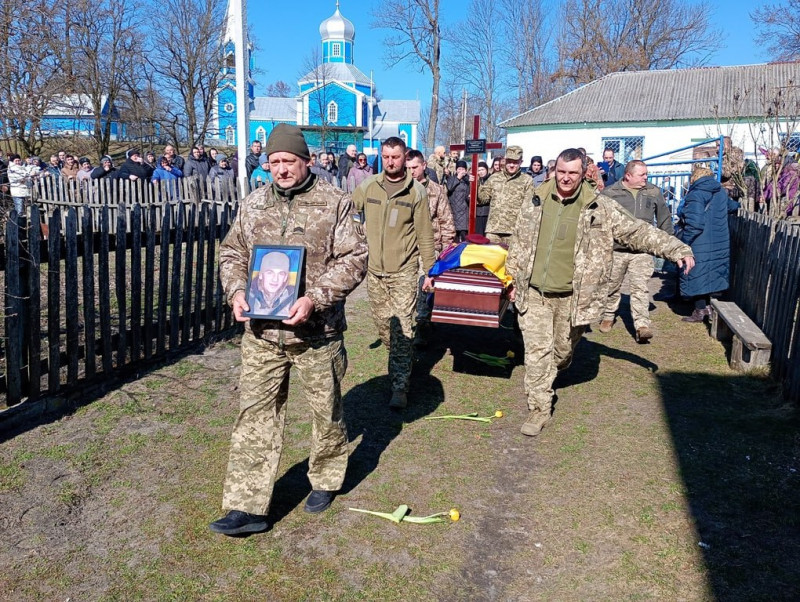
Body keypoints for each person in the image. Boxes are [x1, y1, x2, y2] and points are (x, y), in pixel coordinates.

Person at [211, 123, 368, 536]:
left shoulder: (335, 203)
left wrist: (314, 298)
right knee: (255, 414)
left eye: (289, 161)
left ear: (307, 161)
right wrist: (237, 291)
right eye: (274, 162)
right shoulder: (254, 204)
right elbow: (231, 251)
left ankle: (327, 478)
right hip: (262, 334)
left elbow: (354, 259)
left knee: (326, 410)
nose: (281, 169)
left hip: (317, 333)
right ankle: (246, 506)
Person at [505, 149, 695, 437]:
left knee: (561, 351)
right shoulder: (535, 201)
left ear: (583, 174)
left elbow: (638, 232)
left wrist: (676, 248)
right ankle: (539, 407)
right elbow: (519, 240)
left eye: (573, 173)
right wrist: (513, 278)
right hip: (534, 294)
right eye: (561, 171)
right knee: (536, 354)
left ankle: (553, 369)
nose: (566, 178)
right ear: (554, 170)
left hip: (575, 297)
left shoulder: (599, 208)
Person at [352, 137, 435, 410]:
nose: (390, 162)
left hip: (404, 271)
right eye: (386, 156)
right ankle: (403, 359)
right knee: (385, 329)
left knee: (401, 329)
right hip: (375, 272)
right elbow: (350, 210)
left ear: (404, 158)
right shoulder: (369, 186)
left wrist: (430, 272)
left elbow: (424, 235)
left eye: (396, 157)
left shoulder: (416, 193)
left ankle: (399, 386)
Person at [597, 160, 674, 342]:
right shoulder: (610, 193)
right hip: (617, 250)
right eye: (642, 175)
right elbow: (600, 222)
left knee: (640, 288)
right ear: (628, 176)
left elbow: (664, 219)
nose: (646, 178)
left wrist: (669, 244)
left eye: (646, 174)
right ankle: (608, 316)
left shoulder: (653, 192)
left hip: (642, 251)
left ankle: (642, 325)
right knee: (612, 286)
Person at [678, 167, 740, 322]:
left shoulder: (695, 195)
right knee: (710, 275)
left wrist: (684, 243)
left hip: (699, 242)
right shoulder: (720, 192)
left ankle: (699, 310)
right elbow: (733, 207)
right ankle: (708, 309)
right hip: (719, 242)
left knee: (696, 275)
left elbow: (695, 224)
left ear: (694, 178)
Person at [407, 149, 456, 344]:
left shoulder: (436, 190)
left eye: (415, 167)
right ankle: (407, 323)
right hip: (407, 246)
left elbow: (446, 222)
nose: (411, 171)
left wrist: (446, 252)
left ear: (424, 166)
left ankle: (422, 323)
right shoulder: (403, 188)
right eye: (408, 168)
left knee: (423, 283)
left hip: (430, 246)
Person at [478, 146, 535, 244]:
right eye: (509, 161)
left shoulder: (527, 180)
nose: (512, 165)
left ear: (521, 162)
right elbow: (484, 199)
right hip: (493, 231)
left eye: (515, 162)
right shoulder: (494, 178)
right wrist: (477, 184)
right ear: (504, 161)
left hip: (514, 232)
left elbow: (528, 207)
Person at [247, 251, 296, 316]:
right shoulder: (249, 297)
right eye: (270, 272)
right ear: (261, 275)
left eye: (281, 274)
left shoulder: (293, 295)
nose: (275, 279)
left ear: (285, 278)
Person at [446, 159, 470, 241]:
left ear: (466, 170)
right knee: (453, 238)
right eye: (459, 169)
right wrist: (458, 178)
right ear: (456, 170)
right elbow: (449, 188)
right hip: (453, 210)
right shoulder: (451, 179)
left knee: (464, 237)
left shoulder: (468, 180)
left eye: (463, 169)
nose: (461, 171)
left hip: (464, 212)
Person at [475, 161, 490, 236]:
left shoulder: (491, 180)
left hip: (488, 213)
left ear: (487, 170)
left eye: (482, 170)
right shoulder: (475, 181)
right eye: (479, 170)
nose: (480, 172)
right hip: (477, 213)